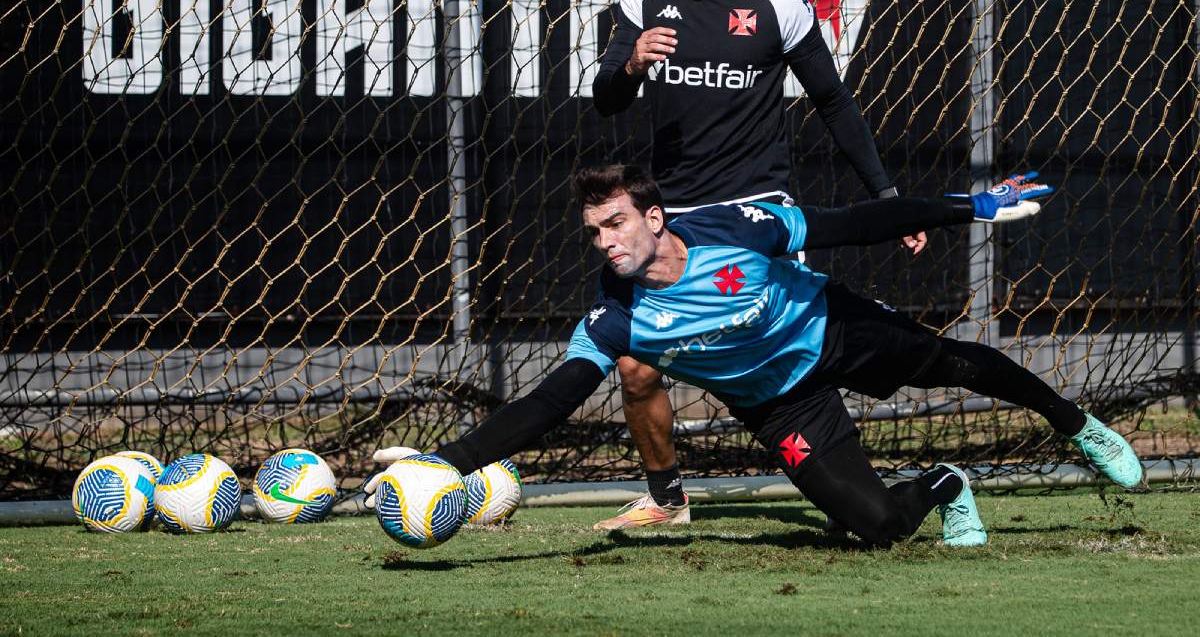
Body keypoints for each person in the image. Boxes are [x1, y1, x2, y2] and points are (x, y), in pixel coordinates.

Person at [367, 165, 1143, 548]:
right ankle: (941, 485)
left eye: (615, 225)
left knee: (960, 365)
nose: (606, 244)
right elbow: (550, 401)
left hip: (830, 328)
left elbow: (854, 223)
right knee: (875, 529)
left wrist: (967, 206)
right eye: (594, 232)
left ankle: (1075, 423)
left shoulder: (737, 227)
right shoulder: (614, 316)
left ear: (655, 217)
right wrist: (450, 461)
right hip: (779, 404)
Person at [589, 0, 925, 529]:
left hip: (756, 216)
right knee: (635, 366)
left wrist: (886, 197)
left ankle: (857, 491)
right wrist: (630, 66)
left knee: (792, 367)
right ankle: (666, 499)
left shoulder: (777, 0)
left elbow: (833, 101)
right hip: (672, 220)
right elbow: (606, 98)